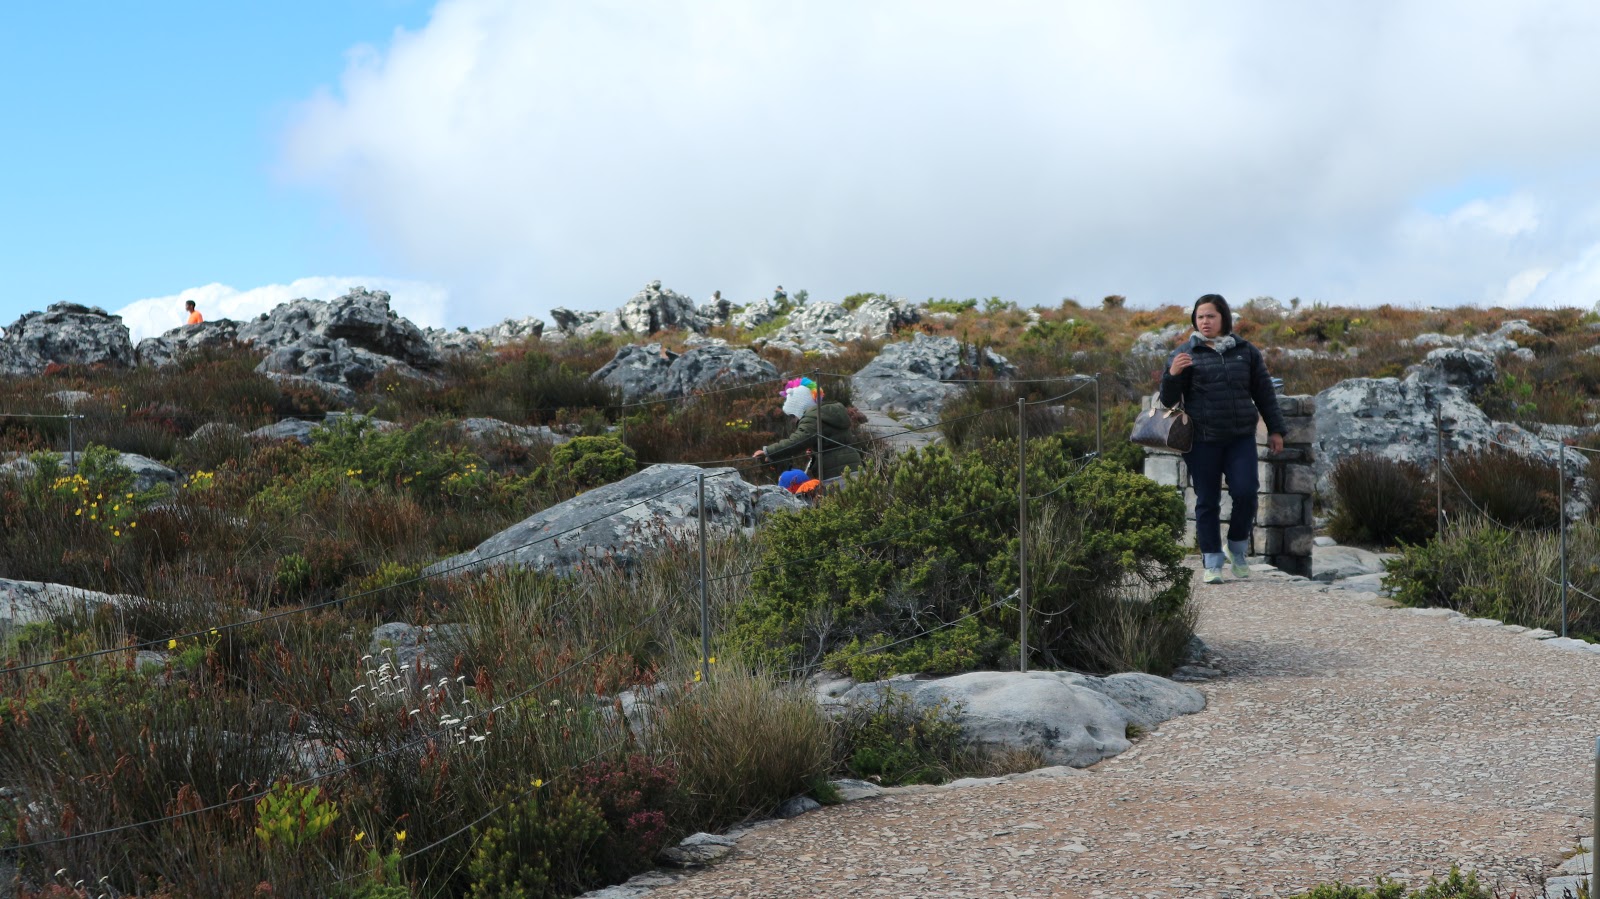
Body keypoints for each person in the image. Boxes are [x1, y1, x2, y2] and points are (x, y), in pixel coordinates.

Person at [1159, 294, 1286, 585]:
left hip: (1240, 437)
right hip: (1202, 440)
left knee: (1246, 493)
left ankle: (1236, 549)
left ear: (1223, 318)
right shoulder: (1184, 353)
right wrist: (1173, 374)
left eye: (1211, 316)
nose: (1205, 322)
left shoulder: (1246, 351)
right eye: (1200, 317)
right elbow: (1167, 401)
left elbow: (1264, 393)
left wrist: (1276, 430)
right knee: (1208, 501)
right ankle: (1212, 562)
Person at [752, 377, 862, 479]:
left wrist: (769, 452)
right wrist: (815, 451)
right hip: (854, 466)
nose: (794, 420)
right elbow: (833, 443)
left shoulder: (812, 418)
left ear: (801, 408)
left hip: (837, 474)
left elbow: (796, 442)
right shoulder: (829, 414)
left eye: (793, 415)